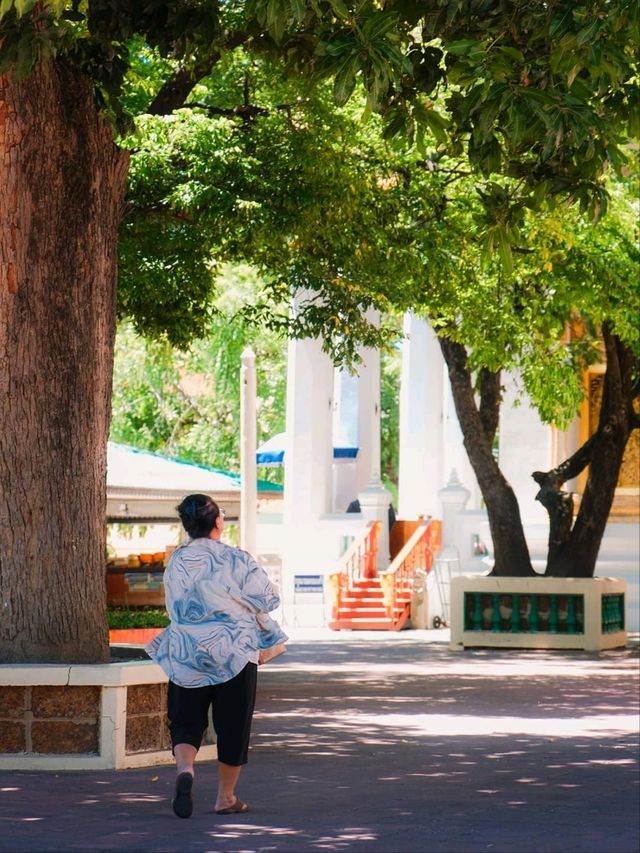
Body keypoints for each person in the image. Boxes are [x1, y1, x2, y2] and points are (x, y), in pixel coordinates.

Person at [146, 493, 287, 819]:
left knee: (185, 721)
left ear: (186, 524)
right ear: (219, 523)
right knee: (233, 726)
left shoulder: (177, 561)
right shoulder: (238, 559)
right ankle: (225, 797)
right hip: (234, 654)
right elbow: (268, 598)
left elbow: (174, 607)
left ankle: (186, 770)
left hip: (186, 654)